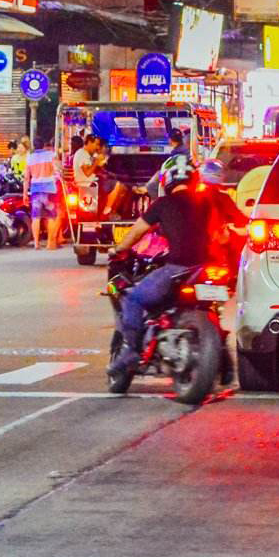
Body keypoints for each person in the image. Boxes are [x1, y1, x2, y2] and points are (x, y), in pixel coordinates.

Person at [107, 155, 218, 387]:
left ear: (166, 179)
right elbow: (220, 234)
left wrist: (117, 249)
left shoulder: (162, 204)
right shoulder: (205, 203)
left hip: (177, 268)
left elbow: (137, 232)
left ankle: (131, 352)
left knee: (133, 299)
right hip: (204, 268)